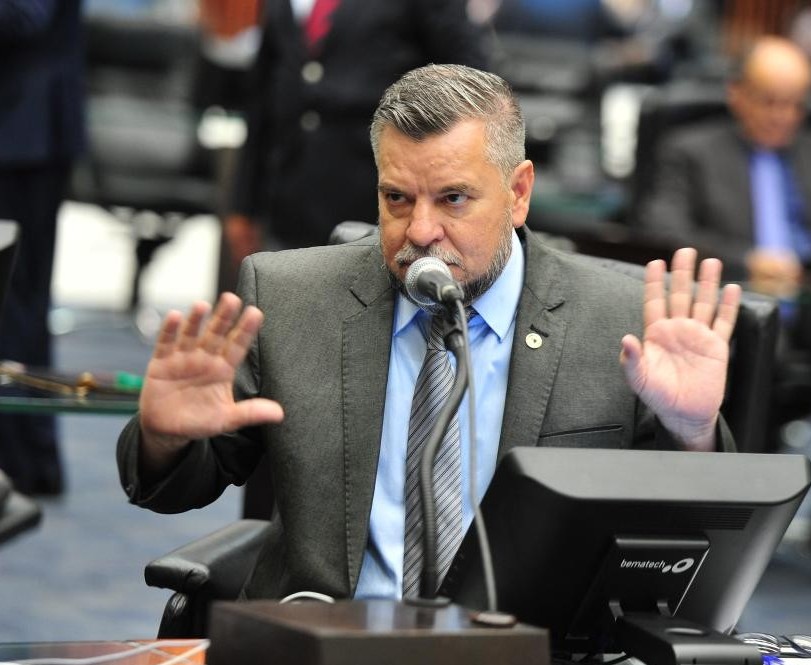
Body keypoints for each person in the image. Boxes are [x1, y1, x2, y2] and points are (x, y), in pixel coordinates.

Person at [118, 64, 741, 602]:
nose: (419, 232)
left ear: (519, 192)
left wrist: (692, 433)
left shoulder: (620, 320)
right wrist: (163, 439)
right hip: (328, 647)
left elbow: (692, 550)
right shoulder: (289, 298)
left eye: (453, 199)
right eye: (396, 198)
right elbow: (181, 486)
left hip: (525, 655)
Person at [222, 0, 489, 286]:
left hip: (379, 212)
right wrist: (243, 204)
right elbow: (263, 99)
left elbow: (469, 88)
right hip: (288, 205)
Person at [638, 35, 811, 297]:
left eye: (794, 104)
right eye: (769, 101)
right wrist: (745, 261)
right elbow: (662, 233)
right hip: (727, 300)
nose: (782, 116)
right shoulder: (690, 151)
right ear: (736, 93)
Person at [0, 1, 86, 495]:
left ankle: (23, 463)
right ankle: (26, 460)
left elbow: (26, 15)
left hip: (24, 131)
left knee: (15, 300)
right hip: (19, 127)